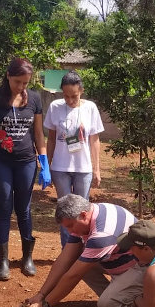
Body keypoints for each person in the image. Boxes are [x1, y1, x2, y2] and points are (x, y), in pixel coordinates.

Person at [0, 58, 51, 281]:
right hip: (0, 162)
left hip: (26, 161)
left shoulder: (35, 98)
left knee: (24, 208)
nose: (21, 87)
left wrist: (44, 164)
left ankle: (27, 258)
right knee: (4, 206)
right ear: (8, 75)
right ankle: (3, 261)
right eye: (18, 81)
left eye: (25, 83)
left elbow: (38, 134)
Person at [16, 194, 144, 307]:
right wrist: (41, 294)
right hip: (118, 261)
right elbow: (64, 260)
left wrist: (45, 304)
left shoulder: (101, 234)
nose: (70, 232)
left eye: (70, 226)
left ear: (83, 215)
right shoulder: (89, 215)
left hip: (138, 269)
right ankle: (114, 295)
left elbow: (73, 275)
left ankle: (134, 306)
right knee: (77, 262)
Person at [44, 71, 104, 246]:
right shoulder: (55, 107)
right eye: (66, 96)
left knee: (82, 212)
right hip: (60, 168)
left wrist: (96, 169)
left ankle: (83, 250)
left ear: (81, 91)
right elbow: (52, 139)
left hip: (83, 169)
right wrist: (46, 166)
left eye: (74, 96)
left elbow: (94, 140)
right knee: (65, 212)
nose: (69, 100)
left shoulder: (90, 108)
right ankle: (67, 251)